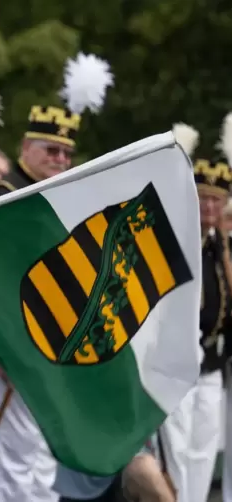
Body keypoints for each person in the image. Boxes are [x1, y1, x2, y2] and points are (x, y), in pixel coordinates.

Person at [0, 52, 114, 502]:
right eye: (50, 150)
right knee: (11, 468)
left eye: (65, 152)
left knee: (39, 464)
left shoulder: (50, 198)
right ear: (25, 150)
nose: (59, 158)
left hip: (49, 346)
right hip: (13, 352)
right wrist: (11, 350)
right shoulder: (6, 197)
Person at [164, 121, 231, 502]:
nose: (208, 207)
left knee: (204, 449)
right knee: (177, 449)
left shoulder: (220, 246)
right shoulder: (178, 237)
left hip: (213, 363)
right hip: (178, 363)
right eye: (202, 198)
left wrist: (223, 247)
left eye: (216, 200)